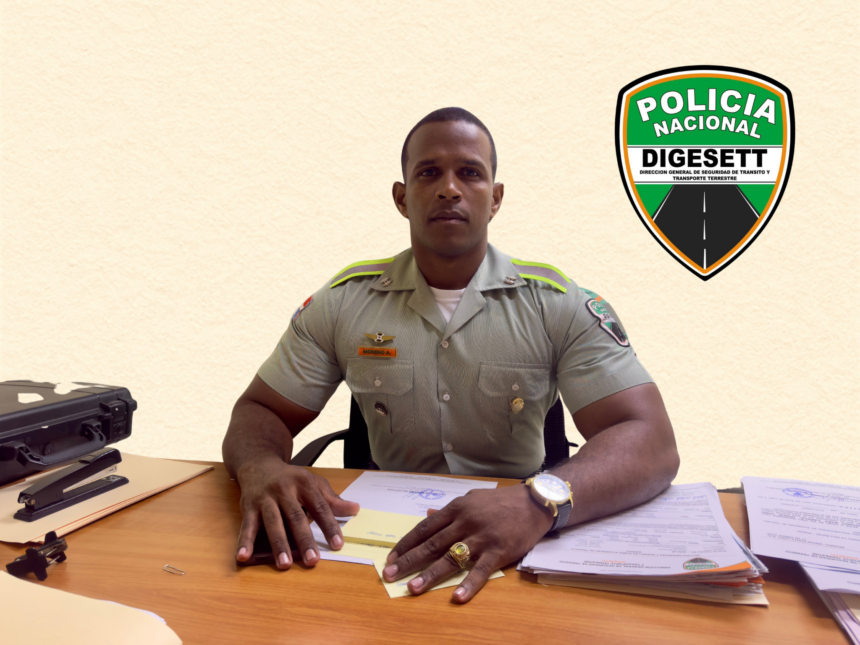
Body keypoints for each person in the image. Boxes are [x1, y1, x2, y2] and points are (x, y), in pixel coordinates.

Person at [222, 107, 680, 603]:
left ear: (495, 198)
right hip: (380, 540)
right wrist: (259, 467)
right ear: (402, 198)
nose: (449, 189)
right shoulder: (344, 303)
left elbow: (650, 440)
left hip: (521, 535)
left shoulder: (557, 304)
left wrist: (535, 504)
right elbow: (262, 410)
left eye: (469, 172)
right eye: (428, 173)